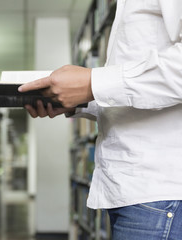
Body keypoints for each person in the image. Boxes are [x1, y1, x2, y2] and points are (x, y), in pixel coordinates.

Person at [18, 0, 182, 239]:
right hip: (132, 190)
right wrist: (77, 99)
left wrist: (92, 83)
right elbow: (133, 93)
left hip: (158, 193)